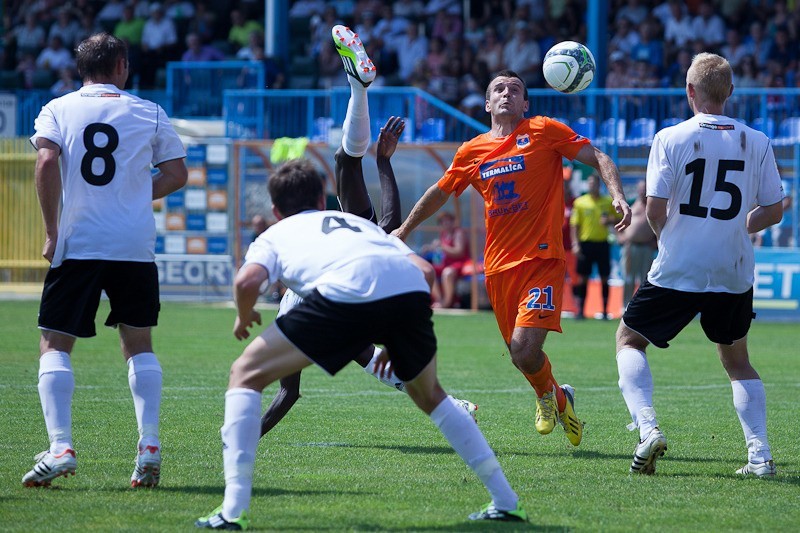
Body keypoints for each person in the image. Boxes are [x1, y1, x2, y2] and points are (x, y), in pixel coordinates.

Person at [194, 158, 528, 529]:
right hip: (406, 293)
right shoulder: (355, 224)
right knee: (430, 394)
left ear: (275, 210)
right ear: (323, 200)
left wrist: (243, 316)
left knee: (244, 373)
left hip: (340, 295)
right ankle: (506, 501)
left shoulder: (275, 233)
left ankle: (231, 511)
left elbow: (245, 284)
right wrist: (394, 334)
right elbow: (425, 270)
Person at [393, 69, 631, 448]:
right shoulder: (471, 151)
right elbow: (440, 193)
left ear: (525, 103)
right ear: (488, 103)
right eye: (499, 89)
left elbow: (597, 155)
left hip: (542, 260)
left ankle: (544, 398)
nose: (507, 94)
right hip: (499, 267)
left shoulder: (543, 130)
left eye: (515, 89)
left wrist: (617, 193)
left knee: (524, 347)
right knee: (519, 356)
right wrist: (404, 230)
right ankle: (558, 396)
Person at [257, 26, 475, 438]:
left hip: (338, 302)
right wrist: (383, 162)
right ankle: (359, 90)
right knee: (346, 162)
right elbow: (389, 226)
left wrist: (249, 433)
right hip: (366, 294)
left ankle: (452, 406)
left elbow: (288, 394)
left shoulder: (287, 250)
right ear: (321, 203)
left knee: (349, 357)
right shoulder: (326, 225)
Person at [23, 32, 187, 488]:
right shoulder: (148, 111)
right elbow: (177, 173)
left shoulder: (58, 109)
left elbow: (45, 162)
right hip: (133, 245)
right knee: (139, 344)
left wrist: (53, 231)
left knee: (55, 343)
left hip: (79, 242)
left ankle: (60, 446)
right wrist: (133, 195)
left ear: (81, 69)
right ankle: (149, 443)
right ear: (121, 66)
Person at [615, 53, 784, 477]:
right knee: (737, 360)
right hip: (733, 266)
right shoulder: (757, 140)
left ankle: (648, 429)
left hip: (680, 263)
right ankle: (760, 456)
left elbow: (654, 208)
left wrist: (668, 237)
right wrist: (742, 226)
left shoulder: (670, 137)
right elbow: (774, 209)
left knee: (629, 339)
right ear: (729, 92)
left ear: (690, 91)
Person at [570, 174, 620, 320]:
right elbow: (575, 225)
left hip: (602, 243)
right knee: (583, 278)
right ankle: (581, 311)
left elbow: (618, 218)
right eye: (590, 183)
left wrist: (610, 220)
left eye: (595, 184)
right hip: (586, 244)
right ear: (588, 185)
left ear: (599, 185)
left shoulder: (607, 201)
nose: (592, 186)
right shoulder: (580, 202)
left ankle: (605, 311)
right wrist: (575, 244)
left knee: (605, 278)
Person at [618, 180, 656, 309]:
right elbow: (620, 223)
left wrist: (655, 241)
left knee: (645, 279)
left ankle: (642, 307)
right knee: (628, 278)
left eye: (644, 189)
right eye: (640, 189)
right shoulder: (632, 205)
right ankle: (625, 306)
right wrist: (621, 236)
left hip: (646, 247)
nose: (642, 192)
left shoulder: (652, 206)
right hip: (630, 247)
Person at [422, 211, 470, 308]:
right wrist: (430, 247)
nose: (446, 224)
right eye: (443, 222)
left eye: (448, 221)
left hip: (459, 263)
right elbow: (441, 251)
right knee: (429, 270)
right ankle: (438, 300)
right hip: (446, 263)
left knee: (447, 273)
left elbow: (459, 252)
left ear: (453, 222)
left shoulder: (458, 233)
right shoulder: (443, 234)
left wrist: (442, 246)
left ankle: (446, 303)